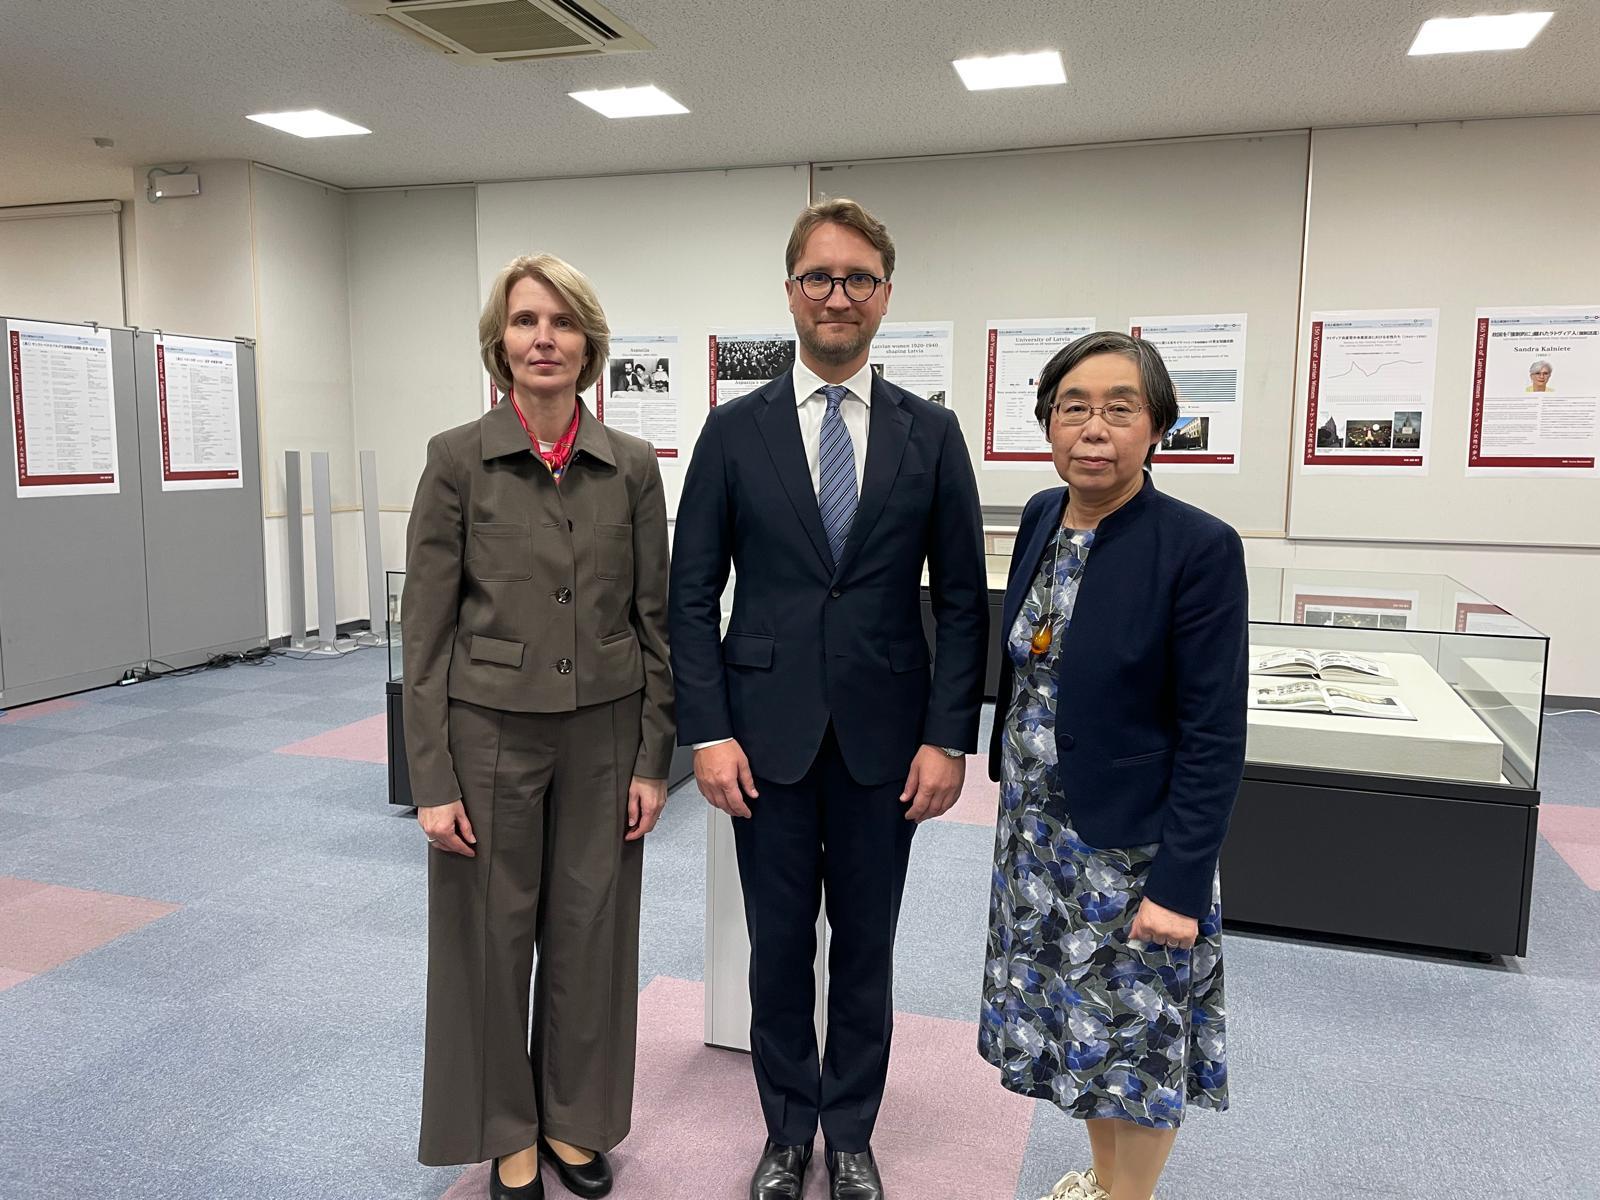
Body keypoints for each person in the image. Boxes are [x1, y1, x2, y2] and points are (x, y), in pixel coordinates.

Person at [669, 198, 987, 1200]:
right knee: (775, 951)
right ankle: (784, 1132)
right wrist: (707, 732)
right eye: (819, 276)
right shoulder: (733, 431)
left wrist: (948, 739)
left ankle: (849, 1132)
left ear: (885, 296)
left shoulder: (931, 433)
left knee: (864, 950)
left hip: (885, 746)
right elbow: (690, 596)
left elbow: (964, 601)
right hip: (762, 741)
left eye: (858, 278)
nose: (837, 295)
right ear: (790, 291)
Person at [403, 253, 675, 1200]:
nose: (544, 339)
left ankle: (573, 1119)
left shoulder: (631, 466)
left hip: (605, 736)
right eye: (525, 321)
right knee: (487, 936)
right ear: (500, 343)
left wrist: (653, 758)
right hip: (487, 736)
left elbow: (655, 623)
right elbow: (425, 634)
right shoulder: (455, 460)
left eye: (563, 323)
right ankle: (504, 1130)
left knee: (591, 934)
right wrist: (432, 779)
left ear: (589, 345)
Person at [978, 332, 1247, 1200]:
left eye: (1119, 408)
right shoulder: (1041, 517)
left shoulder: (1197, 547)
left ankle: (1129, 1196)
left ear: (1157, 425)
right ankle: (1103, 1181)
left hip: (1130, 849)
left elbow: (1214, 735)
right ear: (1047, 423)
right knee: (1079, 1029)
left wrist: (1180, 885)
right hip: (1038, 840)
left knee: (1137, 1042)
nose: (1094, 428)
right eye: (1074, 407)